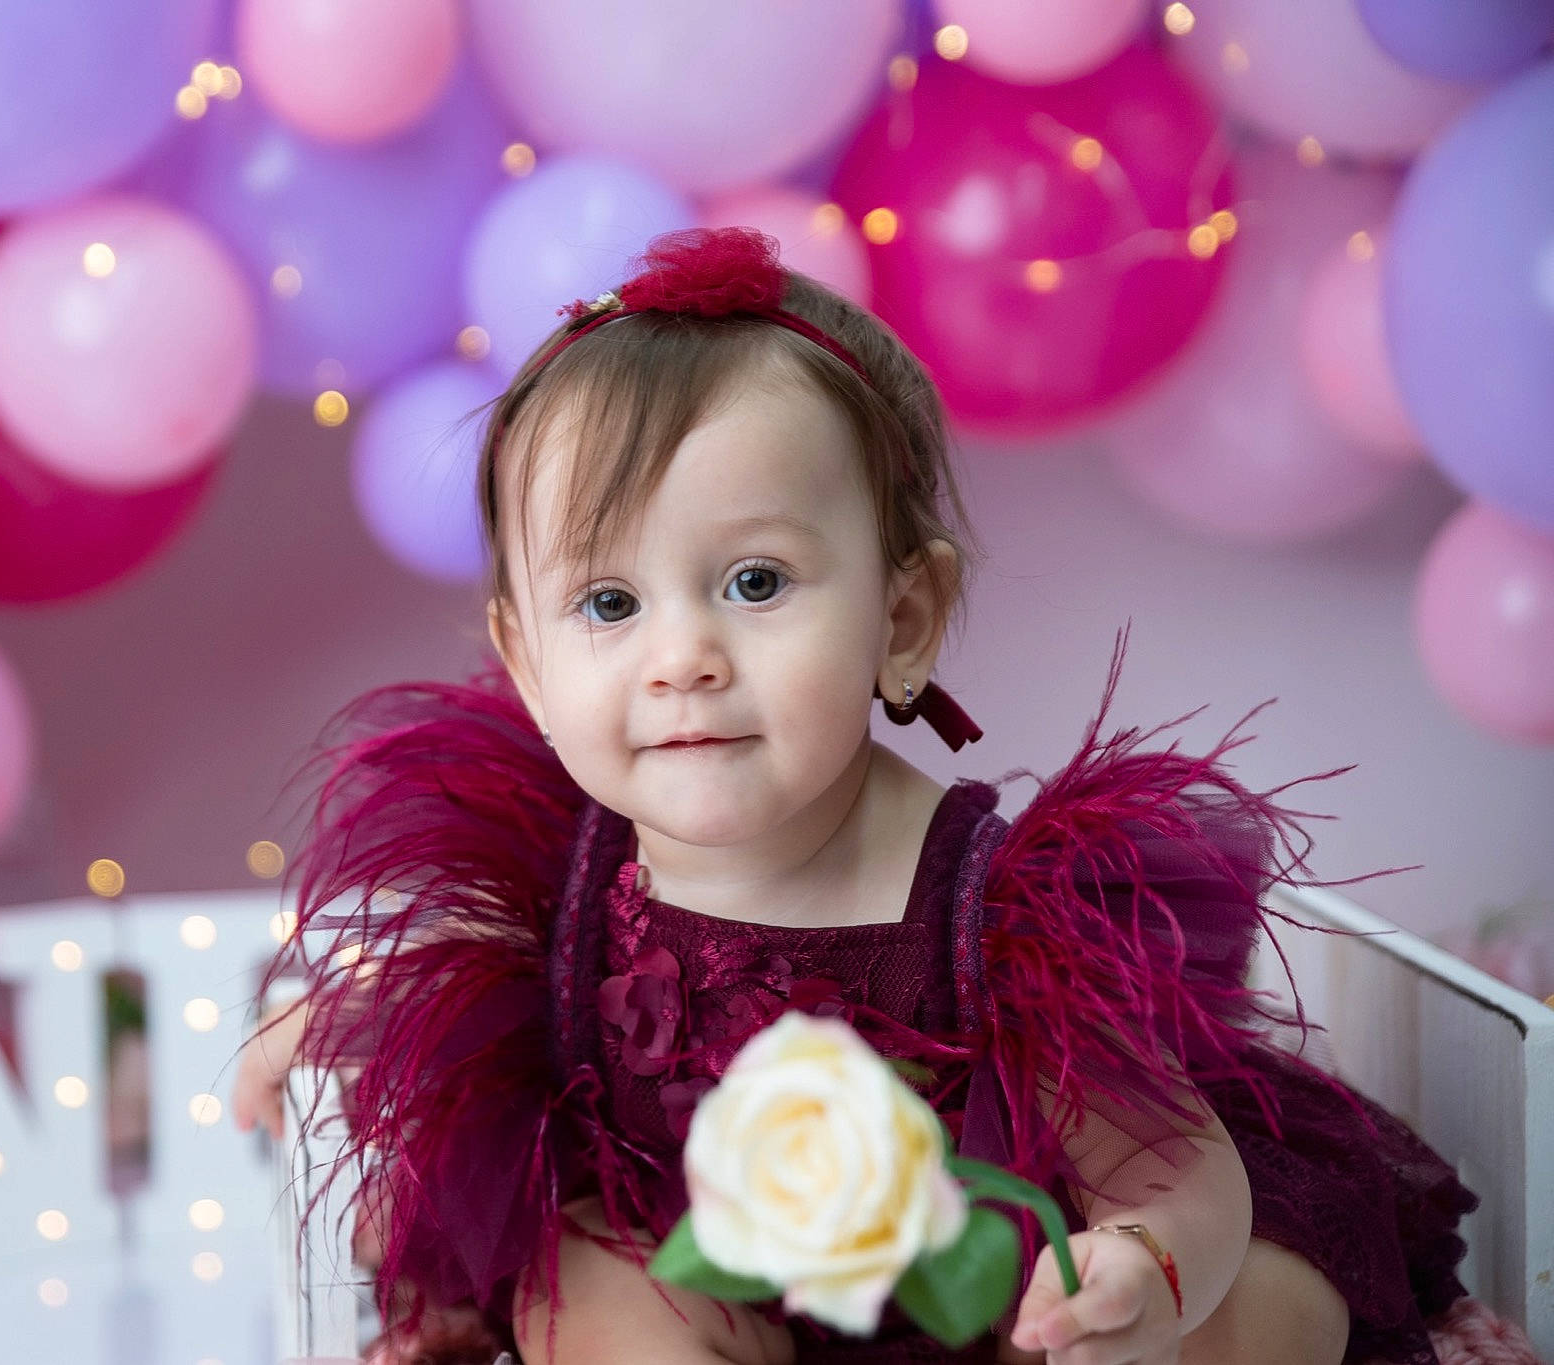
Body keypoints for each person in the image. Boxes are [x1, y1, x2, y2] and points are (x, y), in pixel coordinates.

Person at [233, 228, 1478, 1365]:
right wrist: (353, 1013)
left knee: (1255, 1308)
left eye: (756, 582)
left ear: (902, 619)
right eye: (609, 604)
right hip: (712, 1273)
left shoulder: (997, 916)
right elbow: (463, 980)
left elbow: (1171, 1171)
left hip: (1001, 1302)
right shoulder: (564, 886)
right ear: (527, 668)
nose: (682, 657)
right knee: (584, 1289)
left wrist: (1145, 1267)